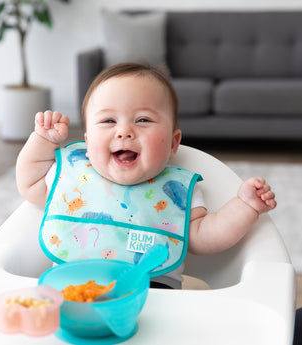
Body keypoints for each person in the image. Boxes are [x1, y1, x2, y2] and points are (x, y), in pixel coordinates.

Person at [16, 62, 276, 288]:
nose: (124, 132)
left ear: (173, 144)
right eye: (108, 121)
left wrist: (245, 206)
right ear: (87, 141)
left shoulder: (177, 190)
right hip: (72, 292)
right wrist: (42, 140)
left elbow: (203, 236)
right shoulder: (74, 175)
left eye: (143, 120)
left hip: (154, 295)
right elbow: (29, 183)